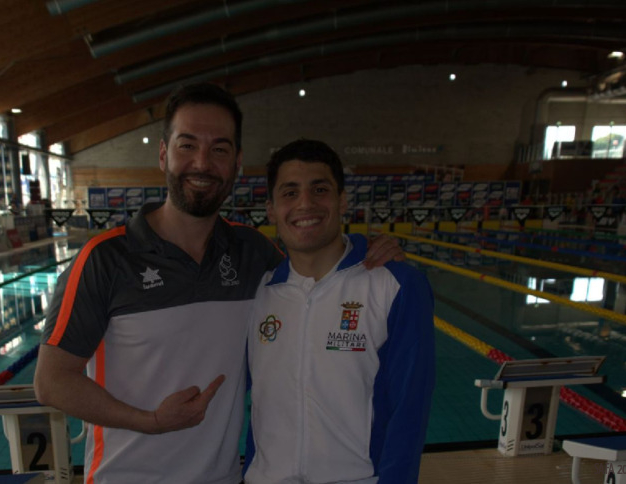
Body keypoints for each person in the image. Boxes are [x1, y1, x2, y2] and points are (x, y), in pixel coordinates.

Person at [34, 84, 404, 484]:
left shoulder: (252, 253)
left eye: (220, 149)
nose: (202, 163)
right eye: (187, 145)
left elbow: (317, 280)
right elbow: (52, 382)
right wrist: (150, 421)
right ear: (163, 154)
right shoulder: (105, 259)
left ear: (237, 163)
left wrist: (366, 251)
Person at [244, 139, 435, 484]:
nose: (305, 203)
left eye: (319, 189)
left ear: (342, 200)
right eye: (290, 192)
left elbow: (410, 409)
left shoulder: (395, 286)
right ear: (271, 209)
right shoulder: (258, 294)